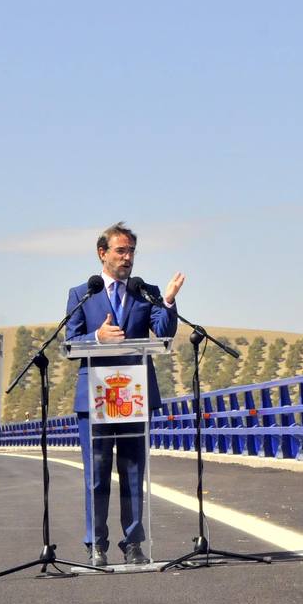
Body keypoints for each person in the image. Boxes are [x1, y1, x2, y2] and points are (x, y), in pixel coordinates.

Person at [65, 222, 183, 567]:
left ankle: (133, 543)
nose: (127, 257)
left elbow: (162, 331)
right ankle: (95, 544)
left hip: (135, 396)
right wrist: (97, 338)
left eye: (131, 251)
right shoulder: (82, 294)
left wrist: (170, 301)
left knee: (133, 472)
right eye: (120, 251)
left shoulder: (144, 291)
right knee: (96, 475)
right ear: (103, 253)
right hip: (96, 399)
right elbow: (70, 342)